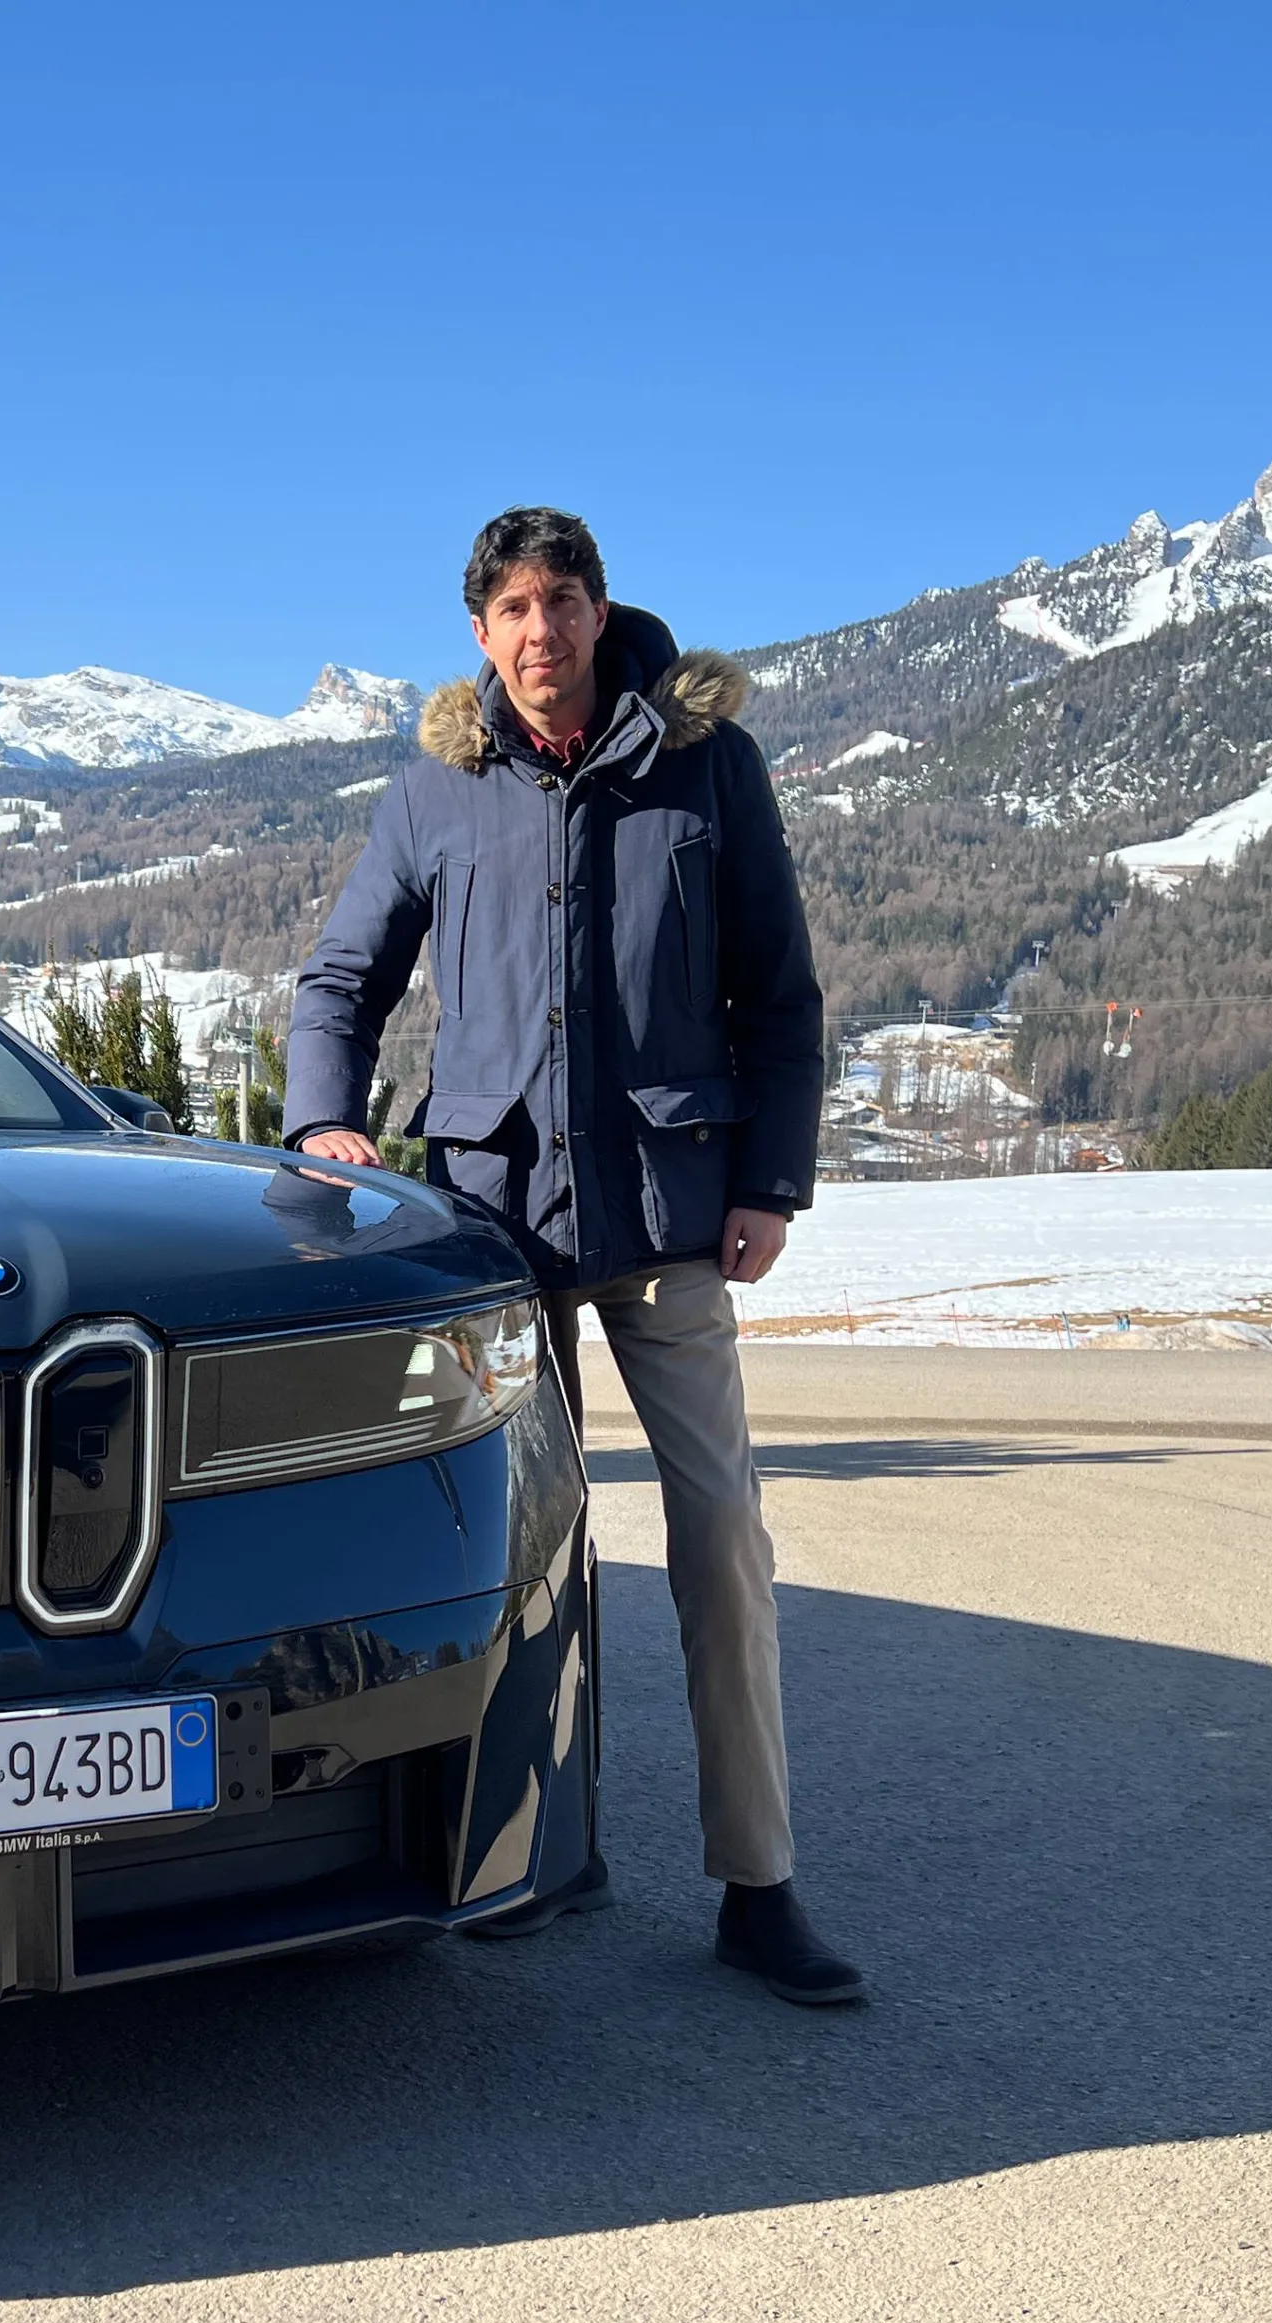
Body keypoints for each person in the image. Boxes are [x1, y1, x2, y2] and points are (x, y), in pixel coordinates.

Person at [282, 505, 863, 2003]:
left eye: (564, 601)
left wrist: (772, 1180)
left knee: (723, 1540)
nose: (541, 632)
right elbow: (341, 980)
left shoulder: (707, 768)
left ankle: (758, 1884)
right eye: (512, 611)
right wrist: (323, 1126)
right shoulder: (436, 791)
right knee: (532, 1556)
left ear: (604, 614)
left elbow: (781, 996)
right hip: (500, 1229)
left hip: (672, 1219)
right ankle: (553, 1846)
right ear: (480, 637)